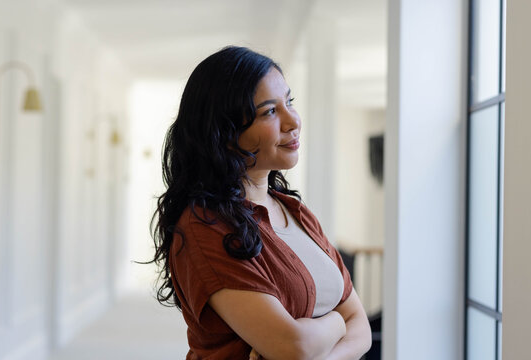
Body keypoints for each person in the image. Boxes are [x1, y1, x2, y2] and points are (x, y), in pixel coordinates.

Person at [151, 46, 372, 359]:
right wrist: (338, 322)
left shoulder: (296, 213)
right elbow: (293, 347)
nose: (292, 120)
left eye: (289, 102)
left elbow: (361, 327)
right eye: (269, 111)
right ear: (224, 133)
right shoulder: (205, 226)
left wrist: (322, 346)